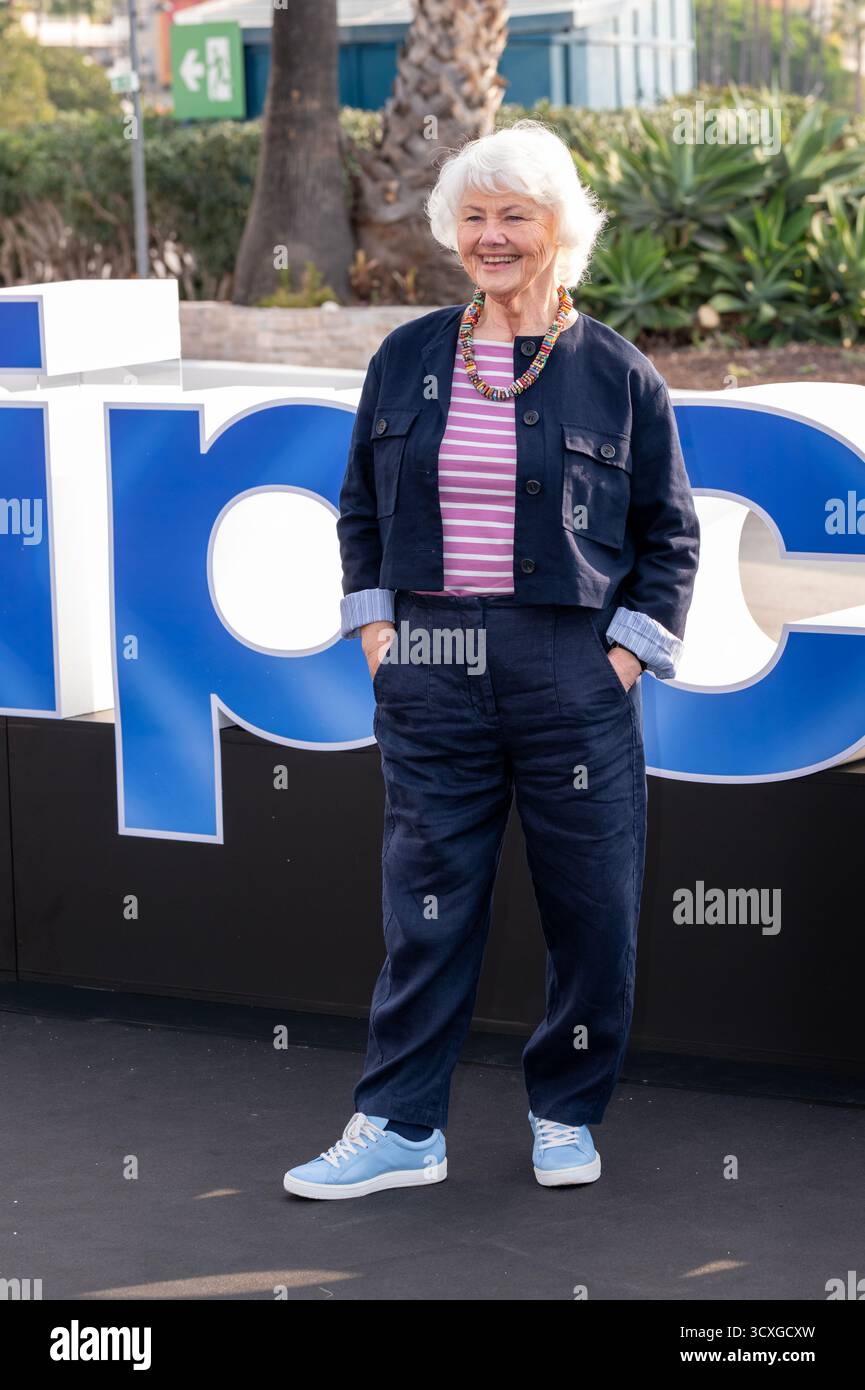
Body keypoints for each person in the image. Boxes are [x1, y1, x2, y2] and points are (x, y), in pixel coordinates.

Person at [284, 119, 700, 1200]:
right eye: (472, 216)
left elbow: (671, 537)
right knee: (425, 905)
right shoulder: (407, 356)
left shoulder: (618, 374)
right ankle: (400, 1125)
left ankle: (565, 1113)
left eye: (513, 215)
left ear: (559, 227)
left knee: (593, 912)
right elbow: (359, 510)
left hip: (571, 670)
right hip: (429, 666)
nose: (490, 235)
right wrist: (380, 637)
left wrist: (621, 659)